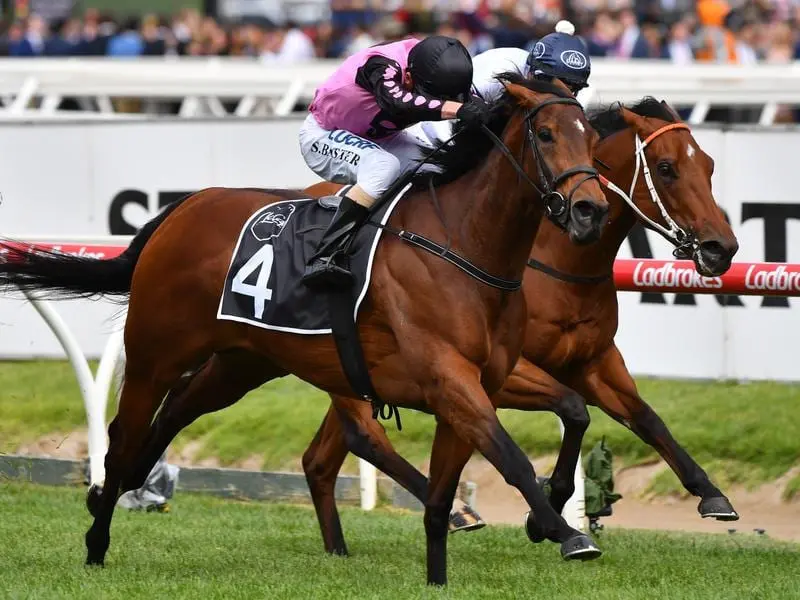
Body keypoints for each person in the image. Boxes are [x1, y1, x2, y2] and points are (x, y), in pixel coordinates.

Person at [298, 35, 490, 288]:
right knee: (383, 167)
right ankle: (325, 254)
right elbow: (396, 102)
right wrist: (457, 110)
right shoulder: (381, 64)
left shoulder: (437, 66)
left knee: (437, 168)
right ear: (408, 77)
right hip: (324, 135)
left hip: (383, 138)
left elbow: (471, 103)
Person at [408, 21, 591, 154]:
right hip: (433, 122)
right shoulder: (500, 68)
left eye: (573, 88)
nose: (560, 93)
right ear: (535, 72)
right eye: (552, 84)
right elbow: (452, 114)